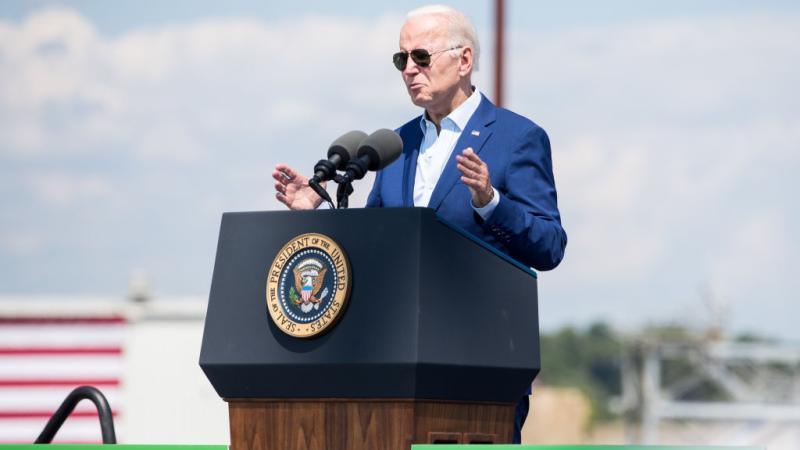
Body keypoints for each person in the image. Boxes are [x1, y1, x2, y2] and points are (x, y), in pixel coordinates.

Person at [273, 4, 567, 443]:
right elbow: (375, 245)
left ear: (464, 60)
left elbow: (550, 246)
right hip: (391, 368)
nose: (409, 70)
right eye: (401, 59)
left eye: (421, 57)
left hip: (480, 368)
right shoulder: (395, 144)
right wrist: (318, 217)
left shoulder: (516, 138)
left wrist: (491, 202)